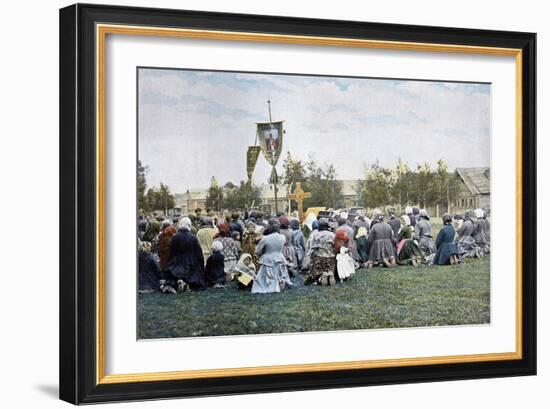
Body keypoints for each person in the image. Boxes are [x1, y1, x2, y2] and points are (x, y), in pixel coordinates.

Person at [252, 218, 293, 293]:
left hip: (267, 258)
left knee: (265, 277)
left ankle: (271, 285)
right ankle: (280, 283)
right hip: (279, 257)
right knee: (279, 273)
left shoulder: (265, 238)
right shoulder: (282, 237)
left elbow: (257, 251)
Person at [165, 217, 206, 291]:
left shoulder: (174, 237)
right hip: (191, 263)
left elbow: (171, 253)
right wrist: (201, 266)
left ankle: (178, 282)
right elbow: (199, 254)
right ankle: (186, 284)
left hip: (177, 263)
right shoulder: (193, 237)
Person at [304, 218, 337, 286]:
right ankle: (331, 281)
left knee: (318, 272)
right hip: (331, 256)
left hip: (319, 256)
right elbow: (335, 245)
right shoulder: (332, 234)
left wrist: (310, 255)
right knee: (330, 272)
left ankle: (320, 281)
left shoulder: (316, 234)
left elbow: (312, 246)